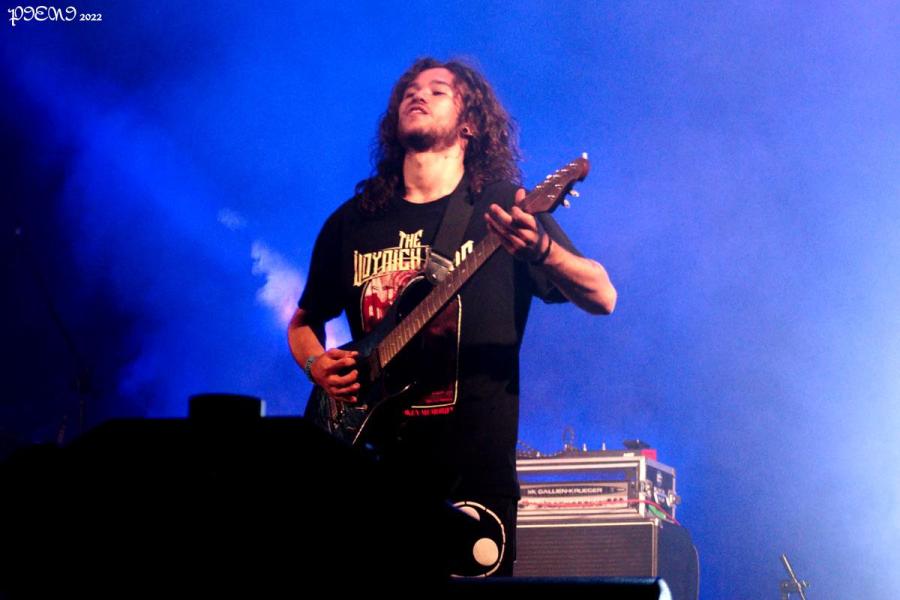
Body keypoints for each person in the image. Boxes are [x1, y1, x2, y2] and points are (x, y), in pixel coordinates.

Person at [287, 57, 616, 576]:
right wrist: (315, 366)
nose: (418, 95)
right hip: (367, 476)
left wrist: (542, 252)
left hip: (471, 483)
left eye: (438, 90)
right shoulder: (353, 222)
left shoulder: (505, 208)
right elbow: (303, 323)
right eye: (409, 91)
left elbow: (603, 295)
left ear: (470, 124)